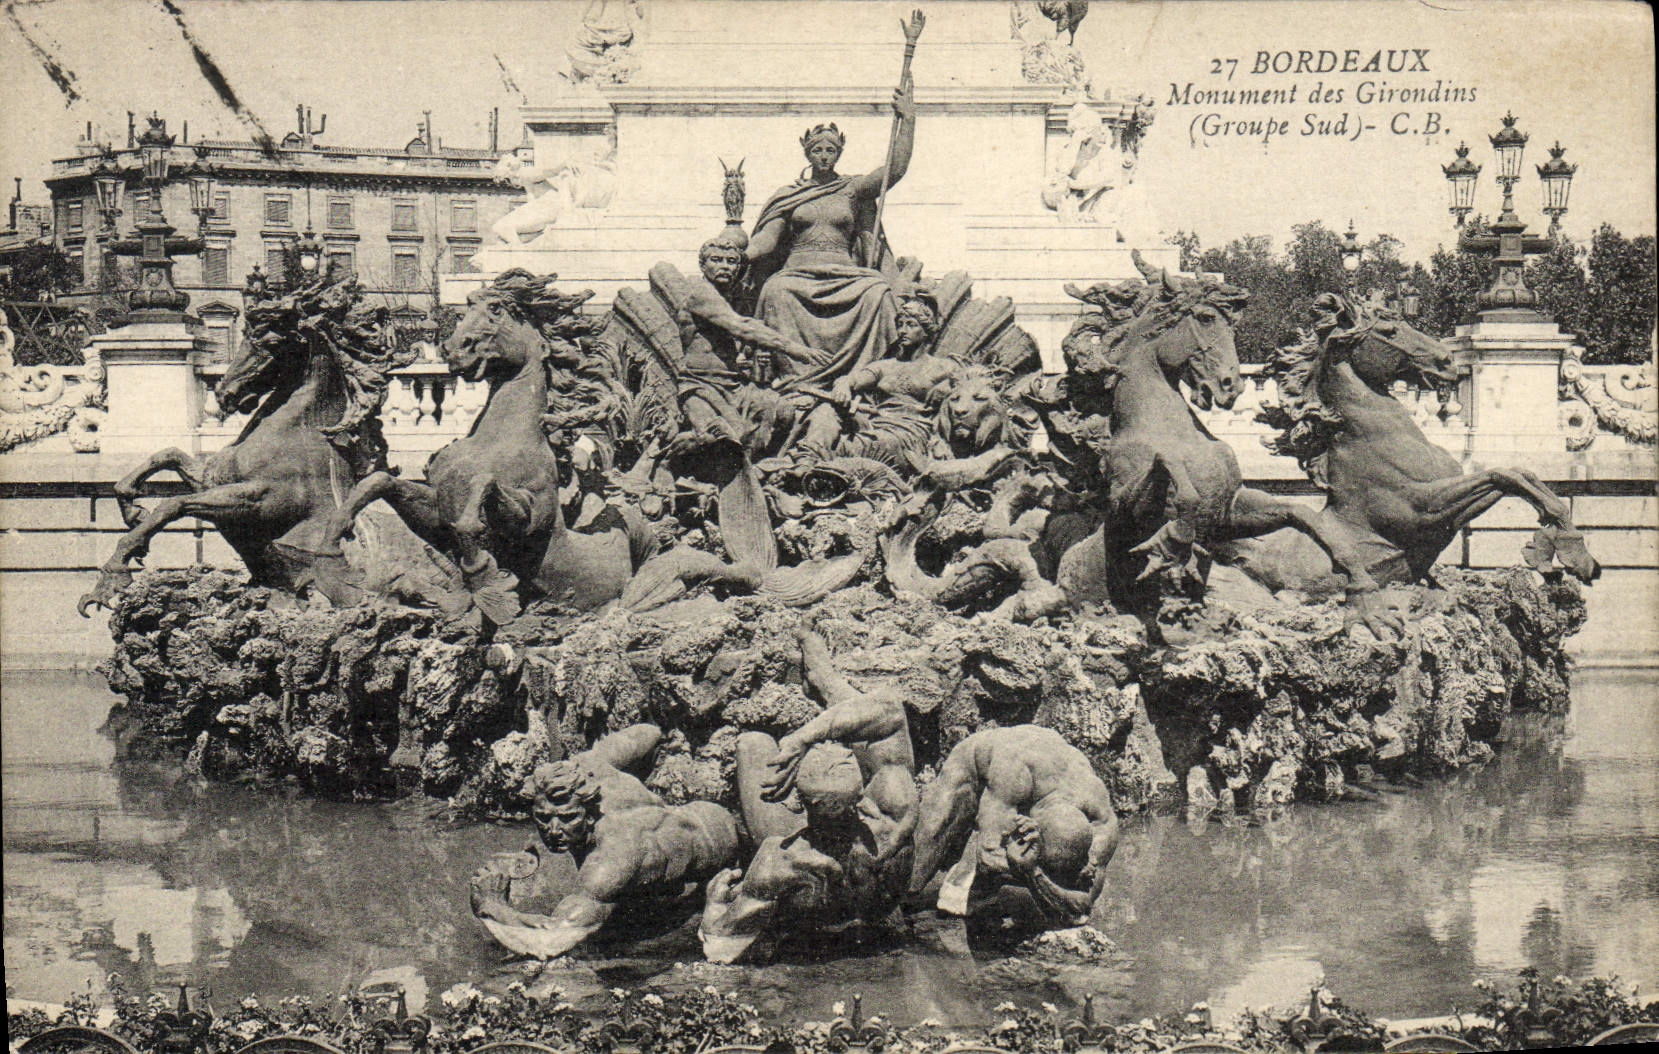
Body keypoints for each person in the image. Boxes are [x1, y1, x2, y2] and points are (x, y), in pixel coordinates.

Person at [698, 628, 919, 962]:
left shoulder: (778, 860)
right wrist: (806, 737)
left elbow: (718, 944)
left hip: (814, 913)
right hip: (875, 911)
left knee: (754, 744)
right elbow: (888, 710)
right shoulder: (894, 813)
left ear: (796, 801)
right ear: (861, 796)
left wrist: (714, 907)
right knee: (859, 721)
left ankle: (821, 683)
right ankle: (825, 682)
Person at [745, 14, 924, 390]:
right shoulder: (790, 195)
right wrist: (741, 253)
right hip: (798, 273)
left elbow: (896, 168)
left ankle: (866, 380)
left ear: (838, 153)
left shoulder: (853, 189)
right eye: (817, 150)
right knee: (775, 292)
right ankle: (794, 379)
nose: (824, 155)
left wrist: (908, 119)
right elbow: (768, 241)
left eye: (830, 149)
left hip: (844, 273)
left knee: (877, 292)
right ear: (808, 154)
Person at [469, 723, 741, 959]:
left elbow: (553, 940)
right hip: (695, 815)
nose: (553, 830)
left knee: (601, 935)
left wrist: (492, 905)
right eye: (543, 817)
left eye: (568, 818)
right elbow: (649, 734)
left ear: (589, 815)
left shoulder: (611, 857)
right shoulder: (588, 768)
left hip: (723, 844)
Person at [907, 725, 1118, 926]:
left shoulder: (1102, 822)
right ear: (1029, 824)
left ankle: (971, 892)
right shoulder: (1013, 777)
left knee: (970, 899)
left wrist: (1033, 871)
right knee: (915, 873)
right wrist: (1031, 871)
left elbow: (1081, 910)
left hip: (1044, 767)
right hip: (980, 760)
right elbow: (988, 857)